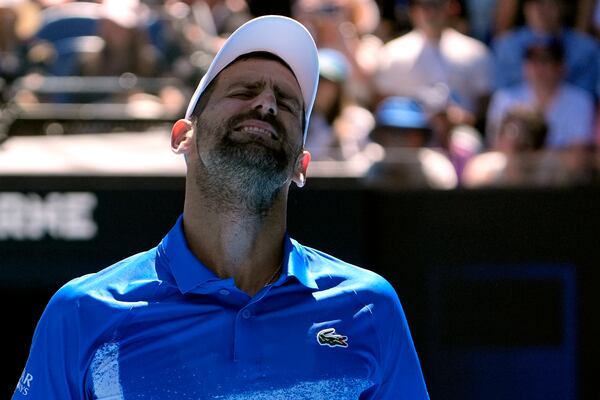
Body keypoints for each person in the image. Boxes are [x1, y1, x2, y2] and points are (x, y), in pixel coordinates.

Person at [13, 16, 429, 399]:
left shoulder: (371, 307)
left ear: (303, 165)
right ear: (183, 138)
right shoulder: (82, 311)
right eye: (244, 91)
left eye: (286, 104)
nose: (266, 104)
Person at [372, 0, 493, 128]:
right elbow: (381, 106)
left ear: (451, 8)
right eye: (425, 6)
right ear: (413, 11)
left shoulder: (476, 53)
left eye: (437, 5)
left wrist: (462, 118)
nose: (431, 12)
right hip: (407, 136)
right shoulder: (392, 53)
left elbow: (485, 109)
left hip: (460, 136)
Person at [487, 37, 596, 150]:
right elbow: (496, 146)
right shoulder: (503, 98)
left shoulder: (581, 101)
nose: (539, 68)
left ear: (561, 67)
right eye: (533, 60)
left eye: (546, 61)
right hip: (514, 166)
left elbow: (578, 156)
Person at [492, 0, 600, 98]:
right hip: (518, 113)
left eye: (549, 3)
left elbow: (588, 96)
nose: (541, 11)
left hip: (572, 114)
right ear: (525, 8)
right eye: (536, 3)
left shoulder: (587, 49)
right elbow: (500, 94)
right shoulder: (506, 46)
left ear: (563, 7)